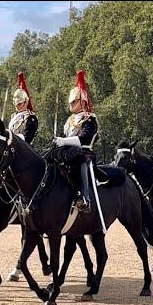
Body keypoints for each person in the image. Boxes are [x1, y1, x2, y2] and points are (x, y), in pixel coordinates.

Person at [54, 70, 98, 212]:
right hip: (67, 152)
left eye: (74, 101)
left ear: (82, 101)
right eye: (70, 102)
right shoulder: (69, 120)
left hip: (84, 152)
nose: (71, 104)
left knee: (79, 161)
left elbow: (85, 138)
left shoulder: (90, 118)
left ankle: (85, 197)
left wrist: (64, 141)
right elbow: (63, 136)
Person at [8, 72, 39, 144]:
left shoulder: (30, 118)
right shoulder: (13, 116)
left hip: (24, 149)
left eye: (19, 104)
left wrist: (11, 136)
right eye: (15, 104)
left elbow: (27, 138)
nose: (16, 106)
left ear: (26, 102)